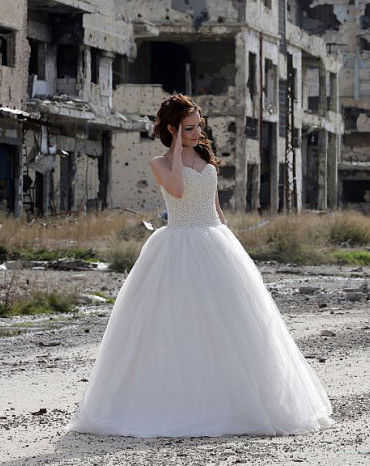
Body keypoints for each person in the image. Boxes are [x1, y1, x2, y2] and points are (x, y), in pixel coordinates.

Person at [69, 94, 333, 437]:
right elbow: (177, 191)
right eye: (189, 128)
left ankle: (238, 402)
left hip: (214, 241)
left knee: (232, 323)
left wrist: (228, 239)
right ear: (172, 128)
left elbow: (214, 202)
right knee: (177, 323)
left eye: (198, 126)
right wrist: (177, 150)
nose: (197, 133)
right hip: (177, 243)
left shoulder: (206, 155)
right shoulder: (159, 162)